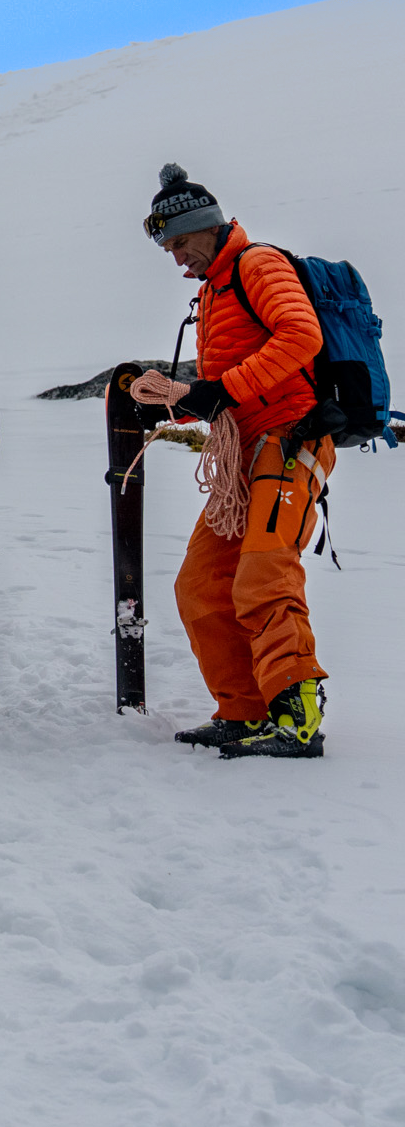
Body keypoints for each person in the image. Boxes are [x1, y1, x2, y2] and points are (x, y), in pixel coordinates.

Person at [141, 163, 332, 759]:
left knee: (263, 575)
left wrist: (218, 393)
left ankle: (296, 718)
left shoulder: (257, 265)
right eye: (168, 248)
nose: (177, 258)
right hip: (246, 457)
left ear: (204, 226)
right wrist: (176, 405)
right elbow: (225, 386)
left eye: (179, 243)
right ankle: (245, 713)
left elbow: (301, 337)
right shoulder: (214, 291)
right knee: (201, 584)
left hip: (292, 440)